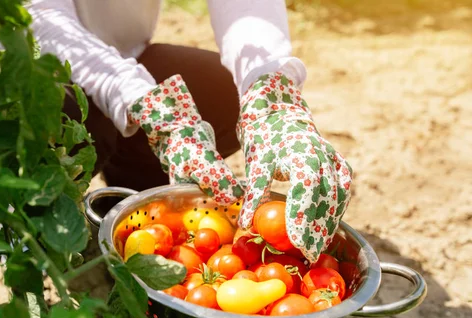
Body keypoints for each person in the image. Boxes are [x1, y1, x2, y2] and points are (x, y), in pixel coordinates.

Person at [26, 0, 352, 262]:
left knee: (223, 96)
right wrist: (146, 102)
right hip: (29, 67)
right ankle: (29, 227)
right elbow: (42, 21)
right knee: (60, 113)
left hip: (129, 57)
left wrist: (268, 90)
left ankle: (136, 190)